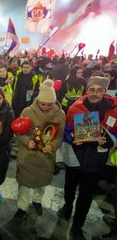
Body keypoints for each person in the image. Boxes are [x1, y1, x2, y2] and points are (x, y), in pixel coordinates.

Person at [58, 76, 117, 240]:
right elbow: (67, 132)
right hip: (75, 157)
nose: (95, 93)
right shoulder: (75, 107)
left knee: (86, 195)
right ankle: (67, 206)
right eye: (91, 89)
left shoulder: (114, 109)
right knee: (69, 186)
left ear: (105, 92)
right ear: (86, 90)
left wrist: (109, 142)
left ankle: (77, 226)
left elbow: (115, 133)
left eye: (99, 90)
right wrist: (73, 138)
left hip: (95, 161)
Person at [13, 79, 65, 221]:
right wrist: (27, 141)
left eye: (50, 104)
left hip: (46, 156)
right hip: (28, 155)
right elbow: (19, 133)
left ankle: (37, 200)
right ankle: (22, 207)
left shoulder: (60, 115)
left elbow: (60, 137)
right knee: (24, 184)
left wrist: (52, 146)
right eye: (43, 104)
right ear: (38, 100)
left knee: (41, 183)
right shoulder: (27, 111)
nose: (46, 107)